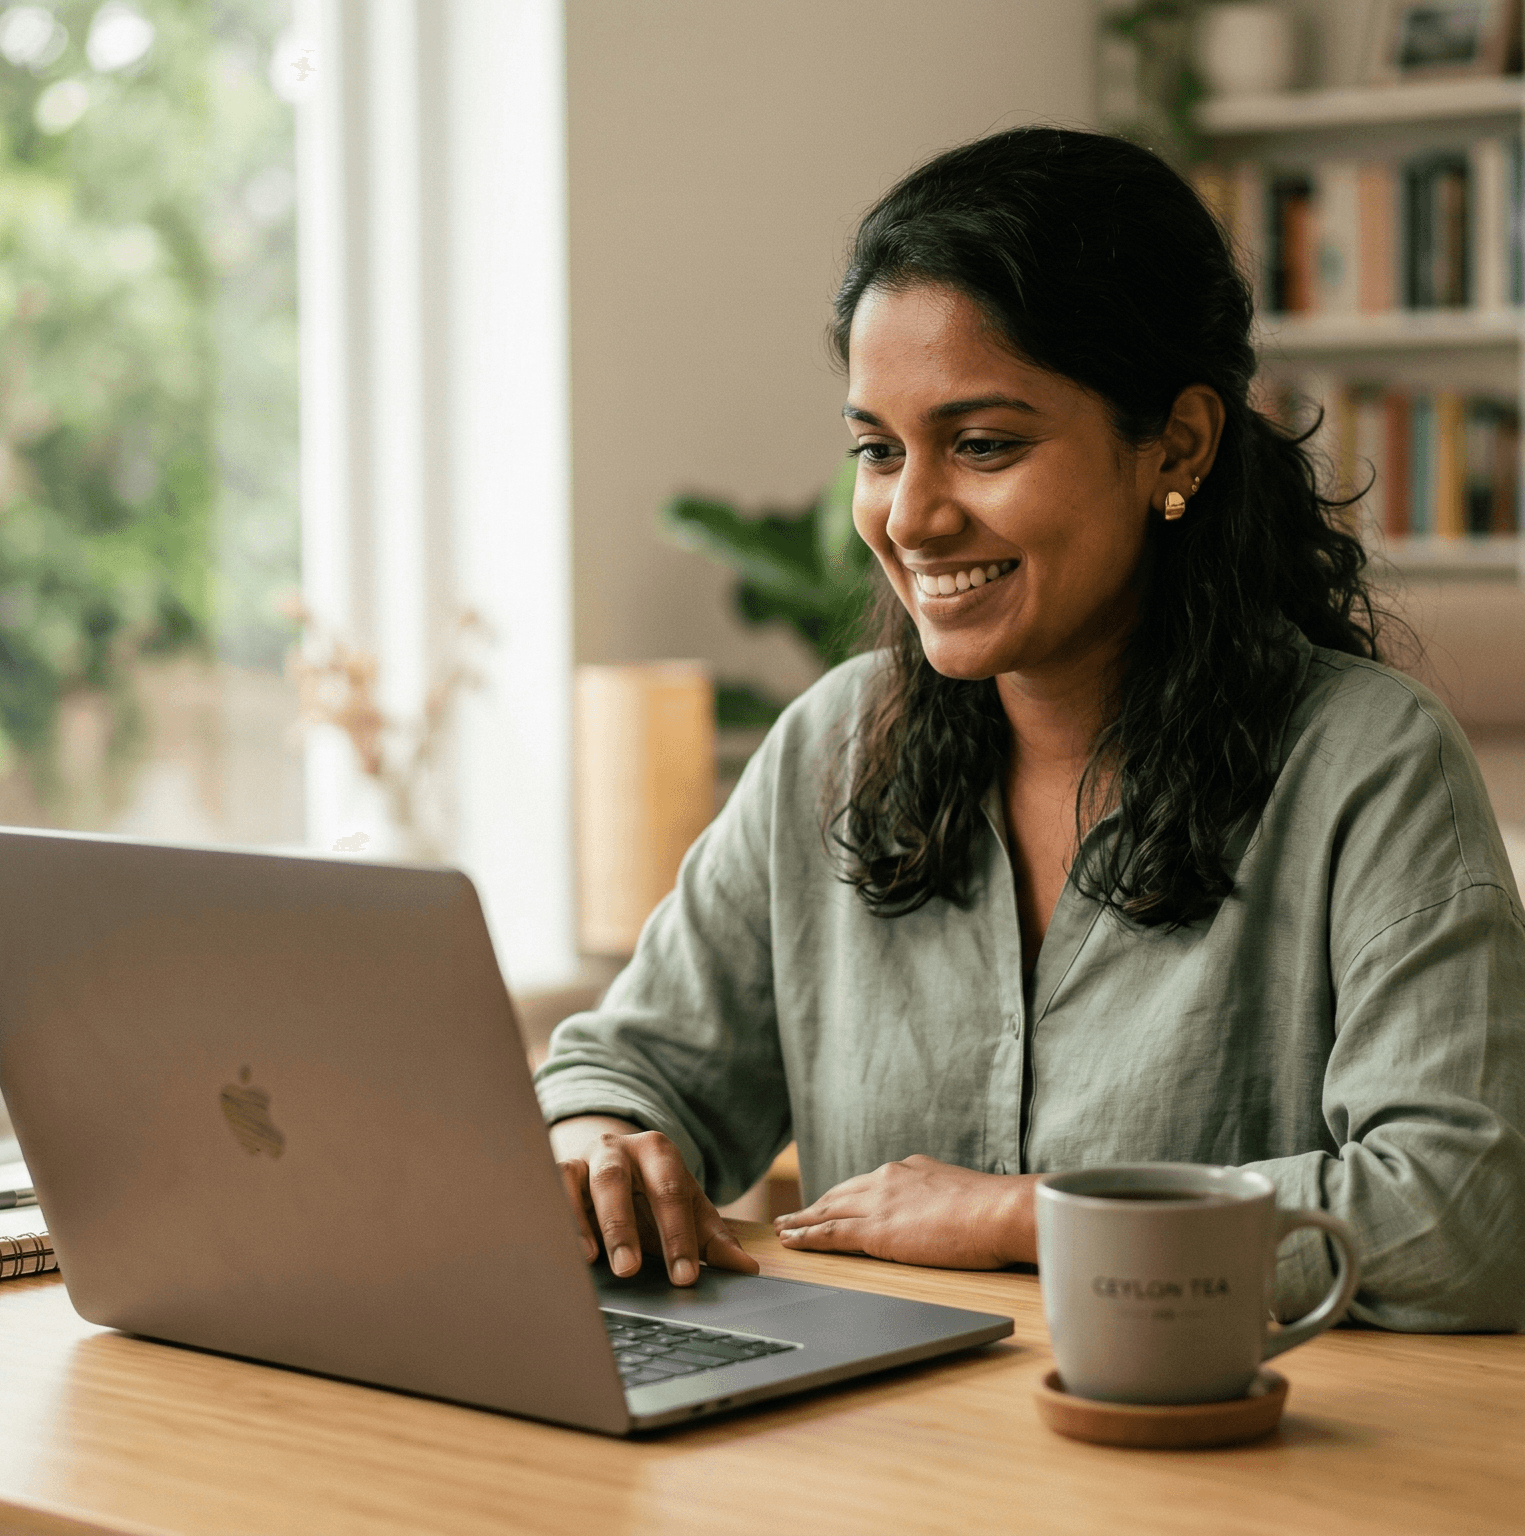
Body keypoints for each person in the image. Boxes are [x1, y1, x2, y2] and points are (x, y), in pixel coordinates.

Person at [535, 127, 1525, 1331]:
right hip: (882, 1437)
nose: (910, 517)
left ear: (1178, 444)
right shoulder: (834, 742)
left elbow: (1460, 1215)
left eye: (983, 445)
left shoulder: (1368, 765)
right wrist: (596, 1143)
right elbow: (623, 1071)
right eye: (877, 450)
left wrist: (1023, 1215)